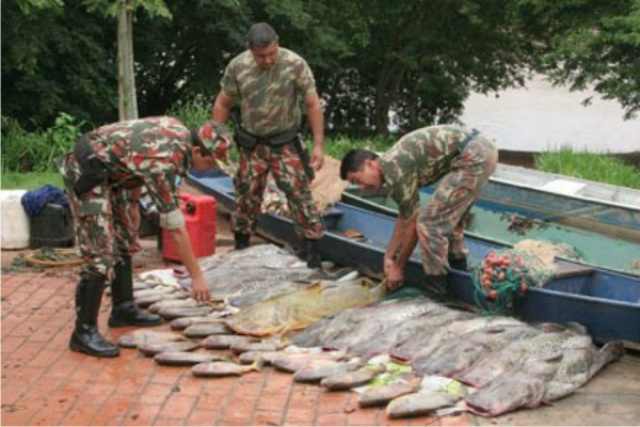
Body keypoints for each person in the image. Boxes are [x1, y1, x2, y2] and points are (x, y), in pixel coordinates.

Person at [59, 116, 232, 357]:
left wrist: (133, 201)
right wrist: (197, 277)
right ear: (196, 151)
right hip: (87, 171)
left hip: (113, 173)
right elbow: (175, 227)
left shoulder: (178, 135)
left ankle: (123, 308)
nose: (213, 168)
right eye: (212, 161)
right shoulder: (165, 159)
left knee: (125, 240)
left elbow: (134, 156)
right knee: (100, 254)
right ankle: (83, 332)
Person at [211, 22, 325, 267]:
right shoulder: (238, 67)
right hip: (252, 144)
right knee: (246, 196)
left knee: (299, 194)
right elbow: (223, 104)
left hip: (286, 142)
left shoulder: (295, 64)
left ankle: (313, 254)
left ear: (278, 43)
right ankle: (242, 248)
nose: (267, 60)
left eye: (272, 53)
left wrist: (318, 146)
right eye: (261, 56)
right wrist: (217, 139)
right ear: (251, 50)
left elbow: (313, 104)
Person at [340, 125, 498, 298]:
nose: (362, 188)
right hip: (481, 150)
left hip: (473, 156)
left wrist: (398, 267)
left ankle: (437, 291)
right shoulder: (391, 167)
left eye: (358, 180)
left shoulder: (393, 169)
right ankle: (460, 274)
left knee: (429, 223)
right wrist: (389, 255)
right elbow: (404, 216)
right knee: (449, 221)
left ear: (369, 164)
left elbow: (413, 223)